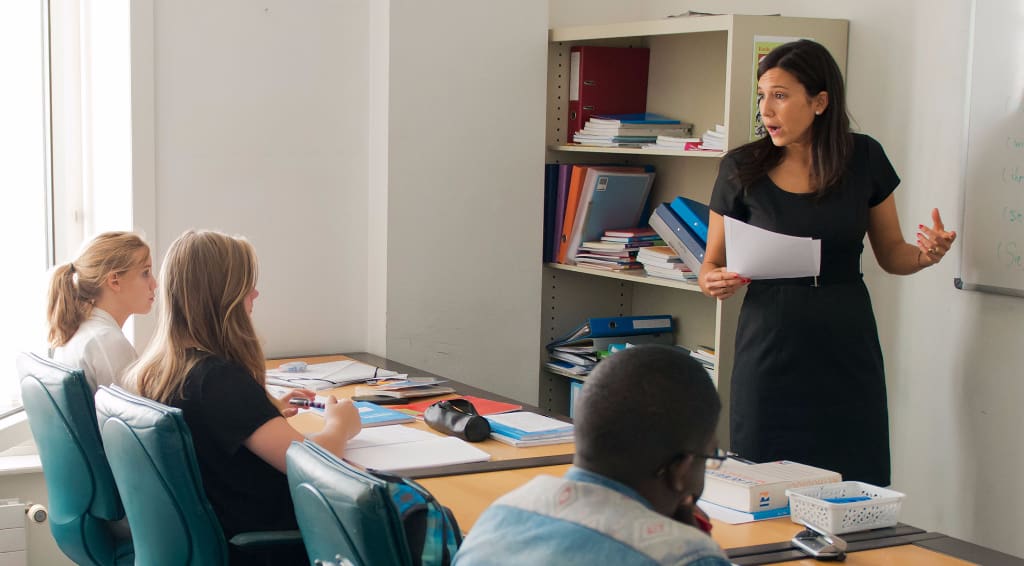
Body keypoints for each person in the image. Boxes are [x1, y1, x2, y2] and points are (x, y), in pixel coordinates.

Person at [699, 40, 957, 486]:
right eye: (762, 96)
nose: (766, 109)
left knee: (854, 477)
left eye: (780, 95)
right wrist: (713, 281)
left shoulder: (864, 158)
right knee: (765, 480)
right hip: (770, 343)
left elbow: (892, 253)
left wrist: (926, 255)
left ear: (820, 102)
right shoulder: (741, 167)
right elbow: (711, 264)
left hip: (845, 340)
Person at [129, 229, 362, 564]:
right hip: (267, 545)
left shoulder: (162, 370)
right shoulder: (217, 380)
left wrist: (261, 413)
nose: (255, 293)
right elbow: (313, 464)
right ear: (223, 299)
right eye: (246, 286)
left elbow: (222, 435)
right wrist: (340, 425)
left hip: (219, 534)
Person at [454, 345, 731, 566]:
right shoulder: (685, 555)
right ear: (681, 469)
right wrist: (697, 548)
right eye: (709, 457)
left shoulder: (502, 514)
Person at [48, 231, 156, 391]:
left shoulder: (83, 331)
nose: (154, 284)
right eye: (145, 273)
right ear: (114, 281)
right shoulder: (108, 342)